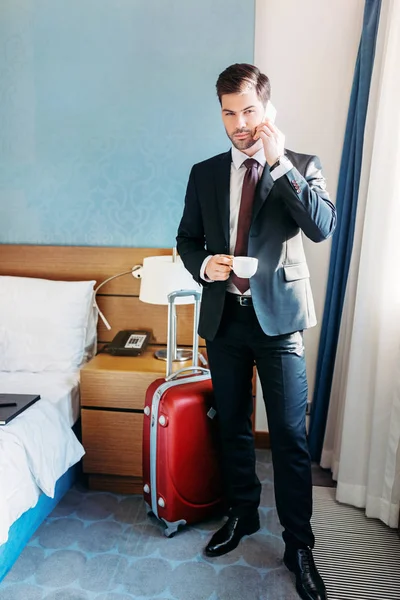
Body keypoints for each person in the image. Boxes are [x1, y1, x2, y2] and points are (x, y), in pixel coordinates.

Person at [176, 63, 336, 600]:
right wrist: (205, 266)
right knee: (233, 427)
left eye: (248, 110)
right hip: (224, 320)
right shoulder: (203, 173)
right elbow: (187, 240)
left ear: (267, 109)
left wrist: (279, 163)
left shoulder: (300, 165)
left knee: (290, 437)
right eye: (228, 113)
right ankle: (243, 515)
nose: (239, 123)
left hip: (280, 322)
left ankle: (299, 544)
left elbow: (320, 226)